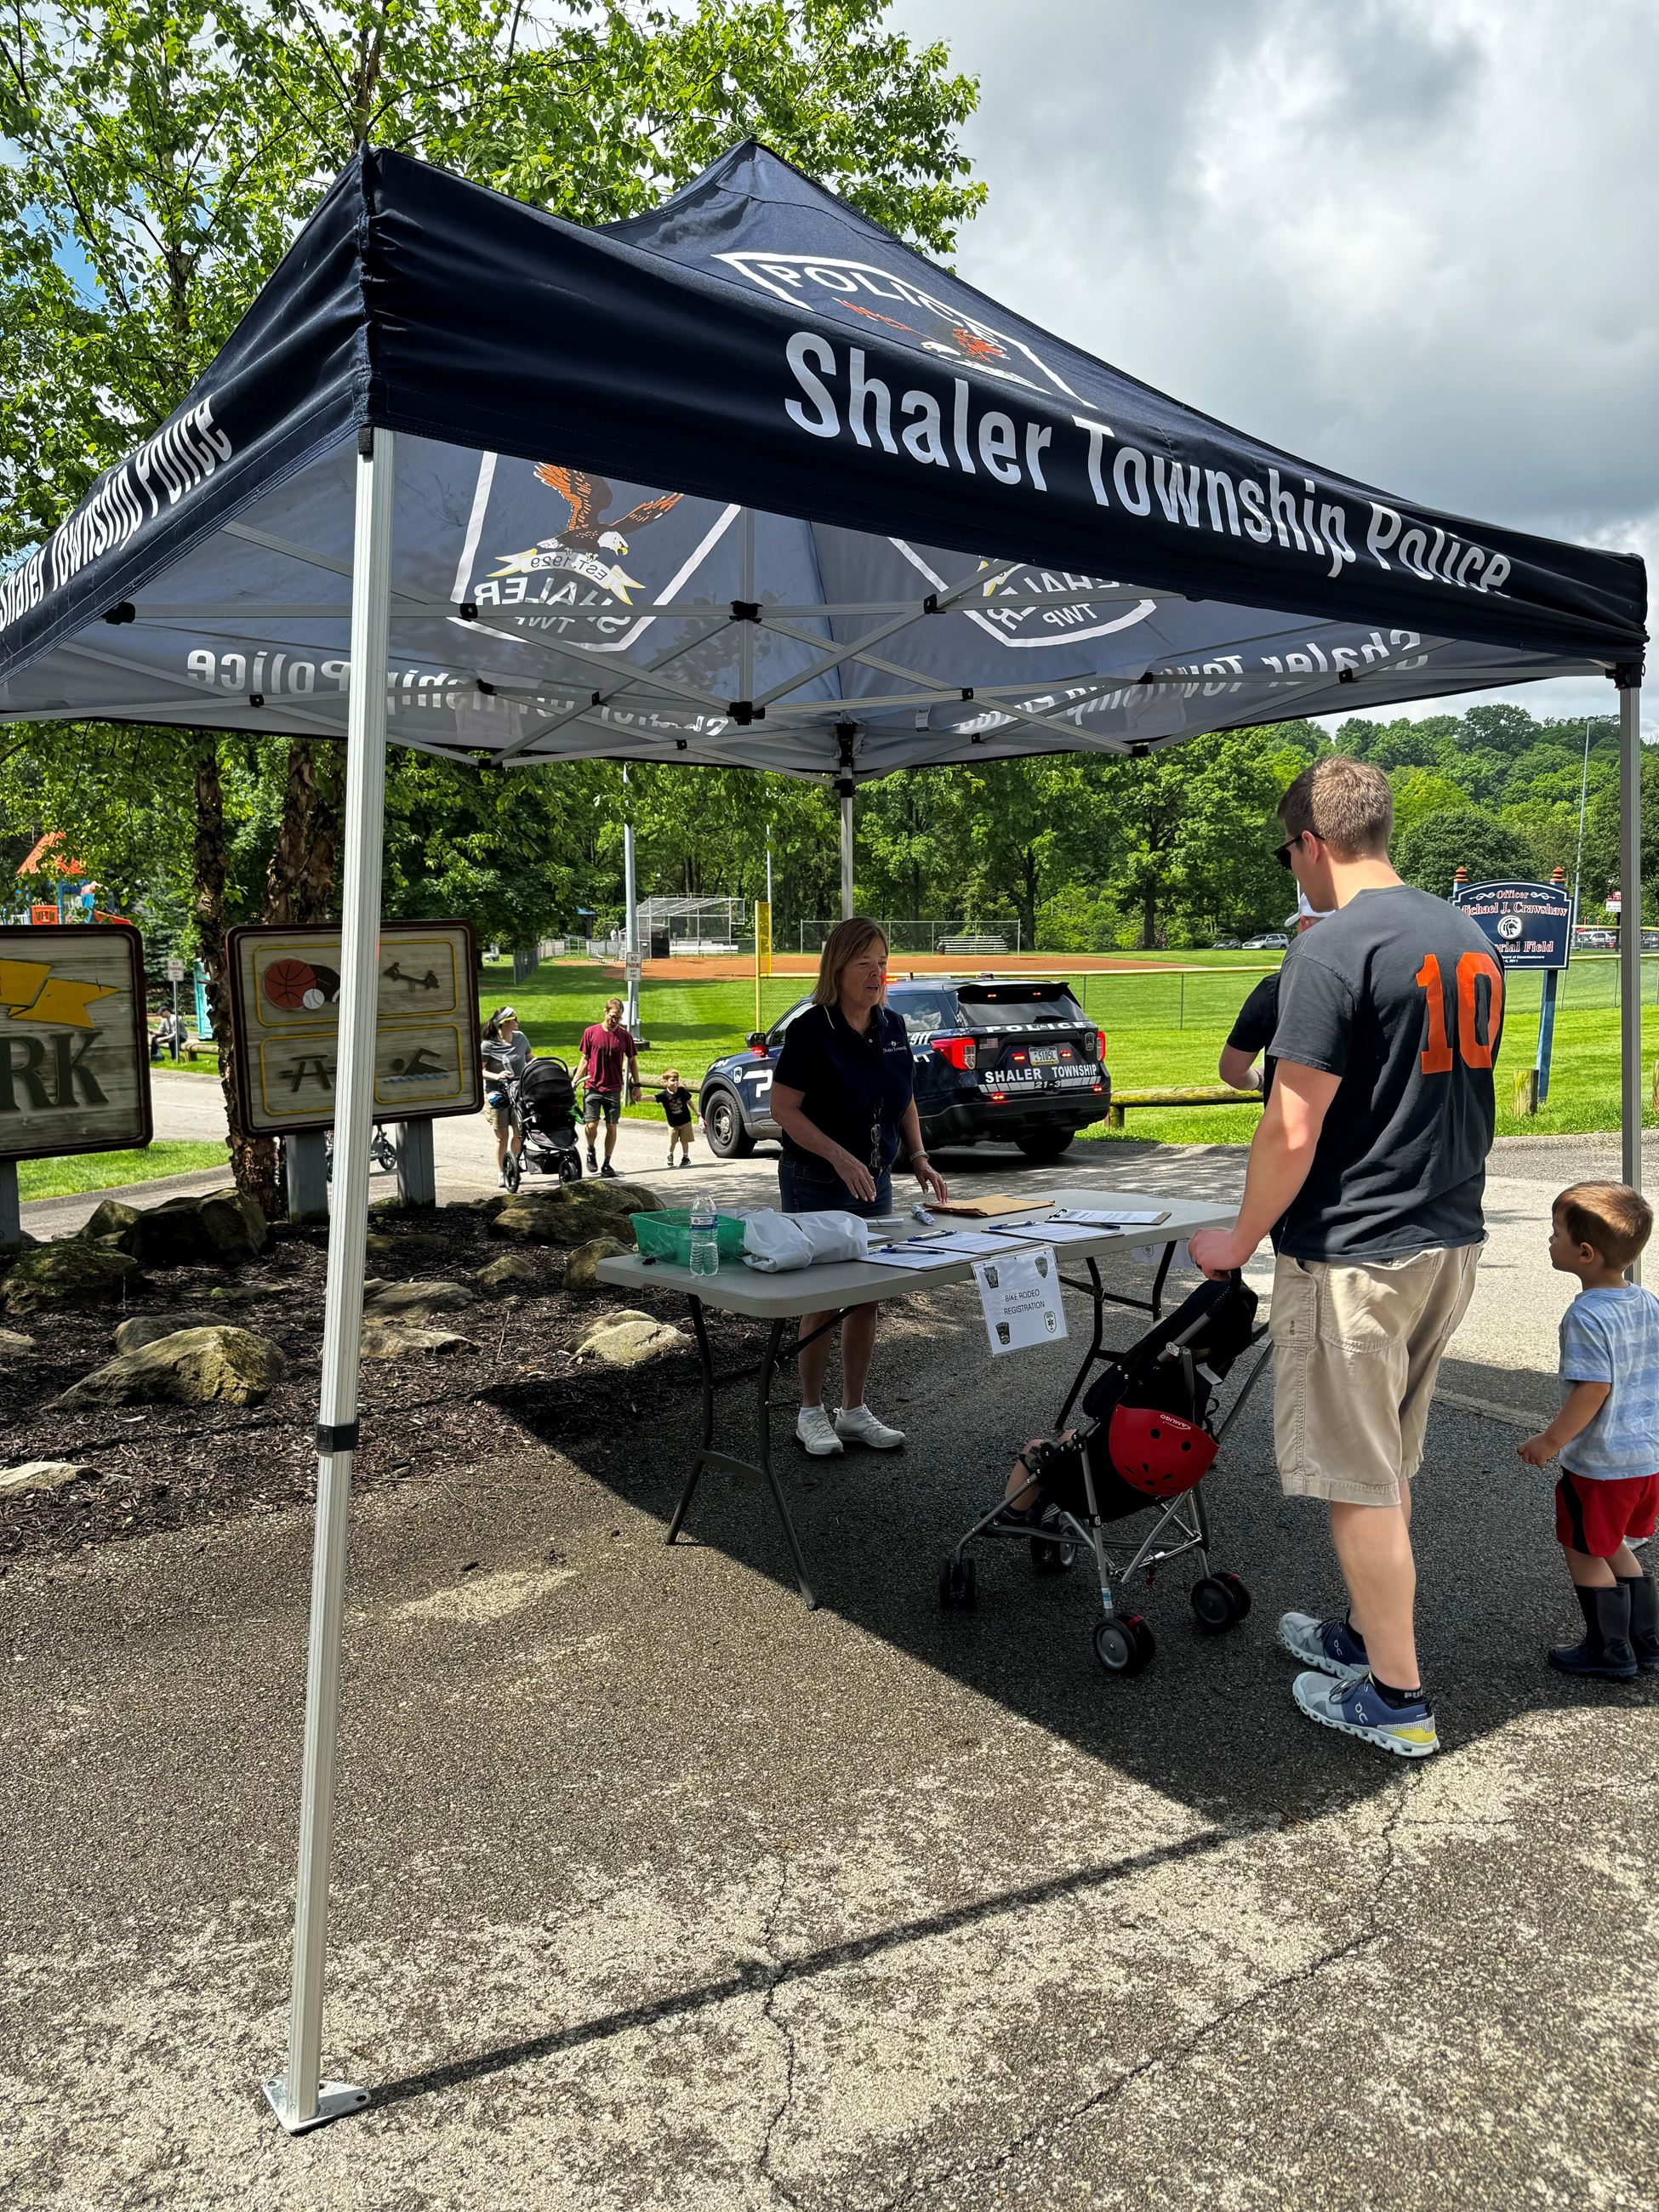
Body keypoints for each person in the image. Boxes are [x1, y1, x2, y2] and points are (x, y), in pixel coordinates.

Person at [1189, 755, 1505, 1760]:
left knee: (1356, 1479)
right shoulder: (1462, 932)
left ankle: (1398, 1697)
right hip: (1446, 1236)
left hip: (1358, 1253)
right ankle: (1371, 1637)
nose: (1297, 872)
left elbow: (1290, 1125)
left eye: (1292, 854)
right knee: (1388, 1459)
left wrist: (1234, 1241)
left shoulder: (1328, 951)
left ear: (1312, 845)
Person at [769, 917, 949, 1458]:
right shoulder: (810, 1030)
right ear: (838, 968)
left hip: (873, 1181)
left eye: (883, 963)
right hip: (816, 1180)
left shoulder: (893, 1026)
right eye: (864, 964)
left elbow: (905, 1099)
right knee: (824, 1300)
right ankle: (809, 1411)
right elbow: (784, 1109)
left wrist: (917, 1156)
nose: (877, 974)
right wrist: (836, 1154)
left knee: (868, 1296)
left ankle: (853, 1410)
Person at [1517, 1183, 1659, 1680]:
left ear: (1585, 1252)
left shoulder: (1585, 1315)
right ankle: (1648, 1640)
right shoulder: (1645, 1301)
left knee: (1582, 1546)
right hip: (1645, 1458)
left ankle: (1609, 1650)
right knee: (1613, 1540)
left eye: (1554, 1233)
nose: (1548, 1240)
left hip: (1601, 1462)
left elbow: (1593, 1388)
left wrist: (1549, 1440)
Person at [1217, 891, 1331, 1099]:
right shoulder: (1382, 982)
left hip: (1295, 1122)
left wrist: (1259, 1080)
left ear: (1304, 922)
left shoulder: (1275, 988)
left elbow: (1232, 1071)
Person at [575, 996, 639, 1179]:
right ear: (605, 1012)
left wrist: (637, 1085)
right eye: (612, 1017)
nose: (614, 1021)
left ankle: (607, 1163)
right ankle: (591, 1149)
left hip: (614, 1088)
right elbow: (585, 1059)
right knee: (591, 1125)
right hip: (592, 1086)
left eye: (618, 1018)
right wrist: (576, 1080)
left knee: (612, 1126)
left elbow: (632, 1061)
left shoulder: (625, 1036)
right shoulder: (591, 1032)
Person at [481, 1006, 532, 1185]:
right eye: (515, 1019)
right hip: (497, 1095)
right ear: (506, 1023)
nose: (518, 1022)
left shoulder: (521, 1038)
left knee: (519, 1134)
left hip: (518, 1093)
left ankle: (513, 1166)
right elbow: (479, 1070)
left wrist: (539, 1067)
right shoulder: (488, 1045)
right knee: (501, 1136)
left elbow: (530, 1058)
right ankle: (501, 1172)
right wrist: (497, 1076)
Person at [652, 1066, 698, 1168]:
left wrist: (697, 1112)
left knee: (685, 1140)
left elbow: (689, 1101)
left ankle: (686, 1158)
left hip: (685, 1121)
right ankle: (670, 1156)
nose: (676, 1082)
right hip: (673, 1123)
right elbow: (654, 1098)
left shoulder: (682, 1091)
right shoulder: (664, 1095)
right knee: (672, 1141)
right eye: (673, 1080)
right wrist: (640, 1098)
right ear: (665, 1082)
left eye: (677, 1080)